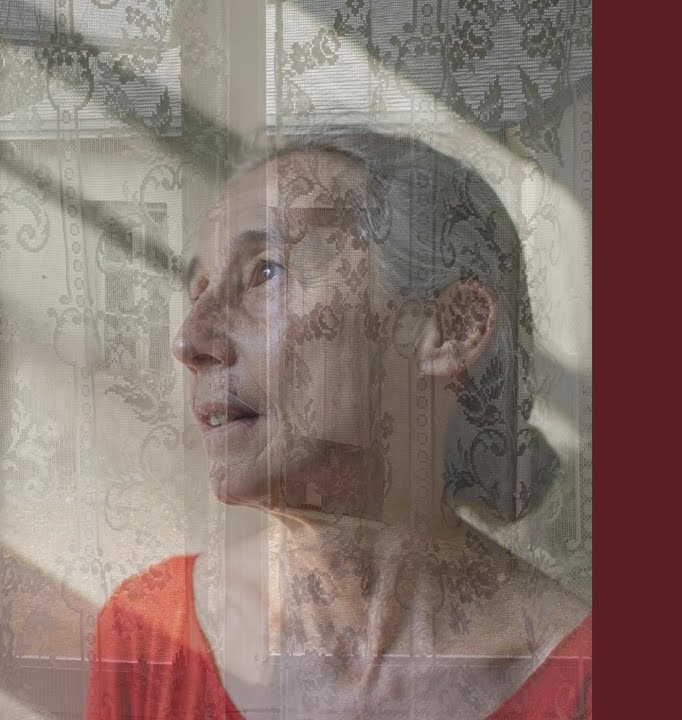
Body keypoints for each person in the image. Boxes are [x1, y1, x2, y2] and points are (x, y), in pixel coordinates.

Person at [85, 128, 591, 719]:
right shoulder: (149, 636)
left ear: (452, 329)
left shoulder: (583, 683)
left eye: (265, 271)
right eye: (199, 290)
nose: (188, 340)